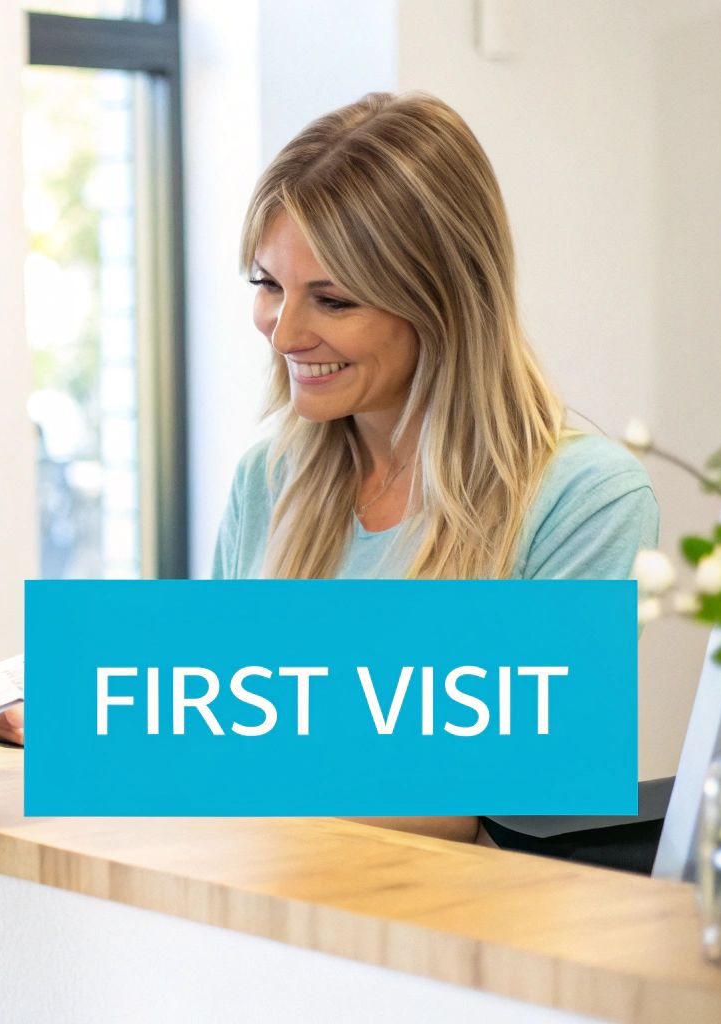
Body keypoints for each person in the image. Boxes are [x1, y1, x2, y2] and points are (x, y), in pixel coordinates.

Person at [211, 92, 658, 844]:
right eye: (268, 285)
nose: (284, 332)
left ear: (444, 300)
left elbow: (453, 810)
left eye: (333, 299)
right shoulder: (269, 477)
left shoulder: (587, 501)